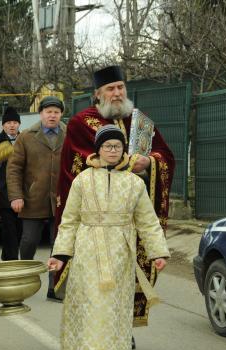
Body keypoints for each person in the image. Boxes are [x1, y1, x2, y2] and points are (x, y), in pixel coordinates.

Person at [48, 124, 169, 350]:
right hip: (88, 253)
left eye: (117, 146)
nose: (113, 151)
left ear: (123, 149)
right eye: (107, 146)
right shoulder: (82, 180)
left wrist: (157, 252)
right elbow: (69, 221)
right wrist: (60, 255)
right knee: (92, 309)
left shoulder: (134, 183)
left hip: (120, 255)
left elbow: (147, 221)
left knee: (115, 312)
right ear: (98, 149)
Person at [56, 65, 175, 329]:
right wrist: (121, 164)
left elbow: (165, 155)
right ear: (98, 94)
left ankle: (122, 329)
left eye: (120, 87)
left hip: (128, 219)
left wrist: (150, 162)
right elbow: (78, 164)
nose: (117, 93)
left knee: (124, 277)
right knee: (97, 280)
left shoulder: (140, 121)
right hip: (96, 222)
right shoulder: (81, 123)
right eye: (111, 88)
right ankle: (91, 335)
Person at [6, 96, 66, 301]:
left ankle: (55, 287)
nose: (52, 115)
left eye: (56, 112)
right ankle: (27, 279)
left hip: (61, 200)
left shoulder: (69, 134)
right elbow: (14, 168)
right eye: (48, 111)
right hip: (33, 199)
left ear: (61, 115)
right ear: (40, 114)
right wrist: (16, 196)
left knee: (59, 245)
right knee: (29, 241)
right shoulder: (26, 137)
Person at [0, 106, 21, 261]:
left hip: (22, 192)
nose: (12, 125)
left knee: (19, 230)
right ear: (3, 125)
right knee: (9, 230)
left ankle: (8, 255)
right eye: (8, 122)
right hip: (4, 192)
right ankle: (11, 260)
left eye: (15, 122)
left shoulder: (25, 140)